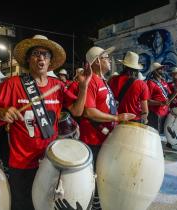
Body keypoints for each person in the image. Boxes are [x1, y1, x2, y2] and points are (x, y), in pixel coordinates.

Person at [0, 34, 91, 210]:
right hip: (22, 164)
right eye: (36, 54)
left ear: (50, 61)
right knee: (23, 205)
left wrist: (84, 86)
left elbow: (77, 111)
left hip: (50, 161)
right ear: (28, 59)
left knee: (46, 204)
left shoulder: (58, 86)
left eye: (45, 55)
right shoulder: (13, 84)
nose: (41, 58)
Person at [79, 46, 135, 210]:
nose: (109, 60)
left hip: (104, 138)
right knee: (94, 179)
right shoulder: (91, 82)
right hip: (93, 140)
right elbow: (89, 112)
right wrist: (116, 118)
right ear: (96, 61)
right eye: (105, 57)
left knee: (104, 177)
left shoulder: (103, 80)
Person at [109, 51, 150, 124]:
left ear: (124, 66)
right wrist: (145, 119)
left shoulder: (112, 80)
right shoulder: (141, 84)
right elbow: (145, 111)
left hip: (116, 120)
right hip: (134, 122)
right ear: (136, 68)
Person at [146, 62, 172, 134]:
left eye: (162, 69)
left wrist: (176, 92)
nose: (162, 70)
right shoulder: (150, 83)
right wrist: (161, 103)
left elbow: (168, 95)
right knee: (154, 134)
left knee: (161, 134)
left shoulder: (163, 81)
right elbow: (147, 101)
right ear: (154, 72)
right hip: (155, 114)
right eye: (160, 69)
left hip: (165, 112)